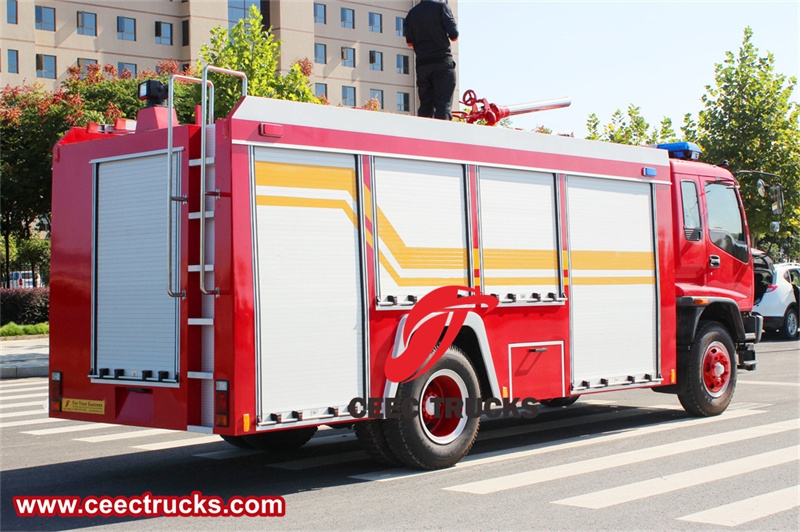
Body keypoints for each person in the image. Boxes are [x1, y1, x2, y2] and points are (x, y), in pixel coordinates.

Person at [404, 0, 459, 120]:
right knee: (443, 106)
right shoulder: (441, 7)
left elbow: (409, 42)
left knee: (425, 107)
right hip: (442, 62)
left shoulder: (411, 14)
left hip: (422, 66)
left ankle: (424, 136)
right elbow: (454, 35)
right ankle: (442, 136)